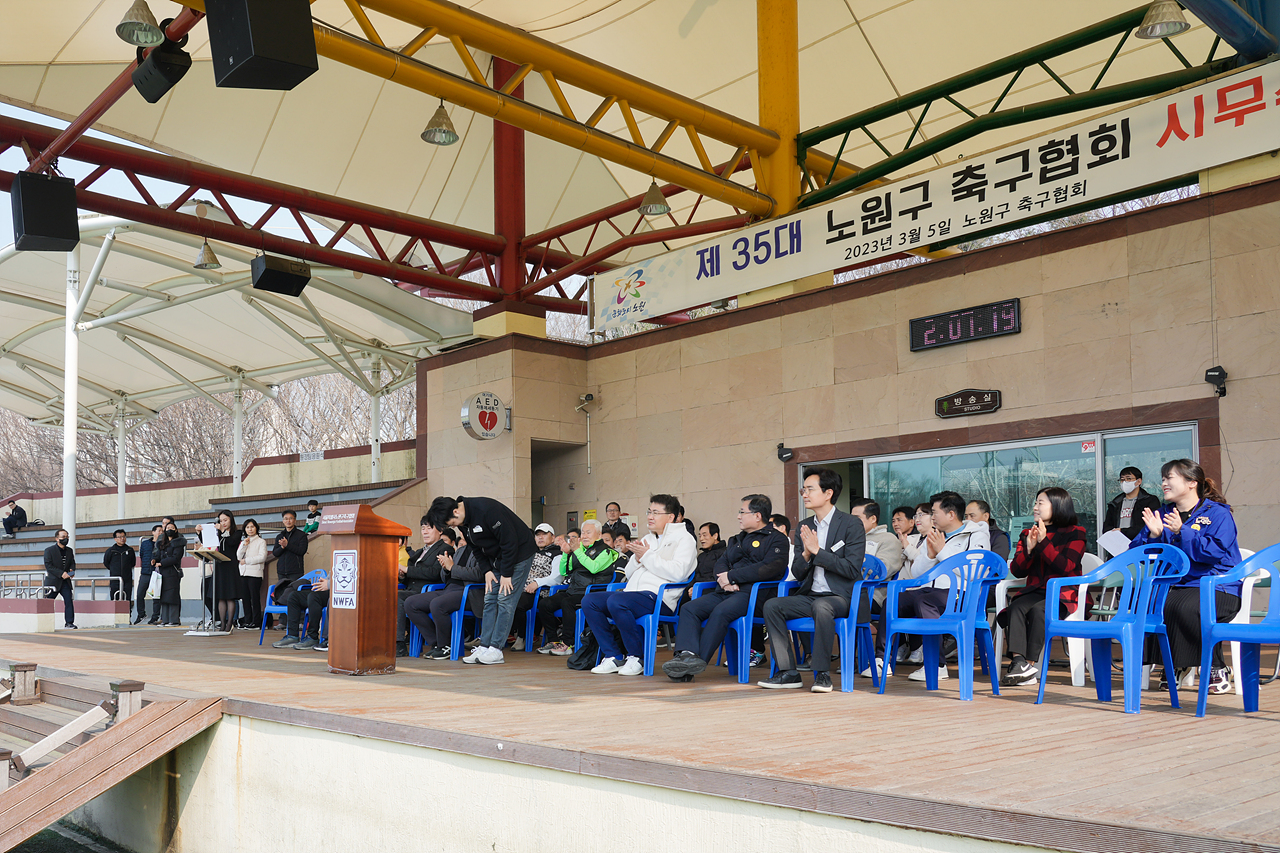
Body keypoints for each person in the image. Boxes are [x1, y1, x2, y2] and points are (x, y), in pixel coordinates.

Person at [1130, 458, 1242, 695]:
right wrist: (1154, 535)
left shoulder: (1218, 513)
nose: (1164, 484)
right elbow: (1136, 552)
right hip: (1179, 586)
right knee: (1153, 606)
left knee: (1184, 607)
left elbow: (1213, 553)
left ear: (1192, 482)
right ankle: (1175, 664)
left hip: (1218, 586)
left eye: (1169, 478)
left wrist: (1183, 531)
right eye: (1162, 479)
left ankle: (1215, 666)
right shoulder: (1161, 514)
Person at [758, 468, 865, 693]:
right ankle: (788, 672)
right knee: (772, 605)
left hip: (842, 596)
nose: (804, 494)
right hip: (811, 595)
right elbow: (797, 571)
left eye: (809, 489)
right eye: (803, 489)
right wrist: (806, 554)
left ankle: (822, 673)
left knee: (822, 606)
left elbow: (851, 568)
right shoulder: (806, 526)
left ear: (828, 493)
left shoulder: (850, 524)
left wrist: (818, 551)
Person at [664, 495, 788, 681]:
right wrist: (724, 580)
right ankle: (685, 656)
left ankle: (696, 662)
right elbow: (721, 563)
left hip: (753, 595)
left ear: (757, 516)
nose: (738, 516)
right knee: (689, 608)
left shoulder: (777, 540)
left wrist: (732, 576)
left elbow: (770, 568)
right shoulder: (736, 539)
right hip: (725, 591)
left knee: (721, 612)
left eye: (742, 512)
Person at [581, 494, 697, 676]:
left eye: (656, 513)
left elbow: (678, 573)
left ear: (671, 517)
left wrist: (647, 557)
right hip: (632, 594)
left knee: (617, 602)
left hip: (659, 598)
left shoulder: (685, 540)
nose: (650, 516)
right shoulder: (649, 539)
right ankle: (614, 656)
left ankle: (637, 656)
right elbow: (627, 573)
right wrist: (637, 558)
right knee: (590, 601)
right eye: (649, 512)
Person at [883, 491, 991, 683]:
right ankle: (881, 660)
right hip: (929, 591)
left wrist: (943, 552)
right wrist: (931, 555)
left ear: (951, 514)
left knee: (926, 602)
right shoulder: (934, 535)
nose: (931, 517)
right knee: (893, 601)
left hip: (961, 595)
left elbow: (976, 573)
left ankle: (937, 665)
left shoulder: (976, 536)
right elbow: (917, 573)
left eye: (934, 512)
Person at [425, 495, 537, 666]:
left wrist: (506, 574)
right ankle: (485, 646)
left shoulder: (487, 509)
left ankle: (497, 649)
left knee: (505, 599)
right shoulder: (464, 523)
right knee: (490, 598)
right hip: (498, 559)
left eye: (452, 524)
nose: (454, 527)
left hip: (519, 554)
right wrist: (487, 571)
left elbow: (509, 541)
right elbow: (476, 548)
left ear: (456, 511)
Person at [999, 488, 1087, 686]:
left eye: (1041, 503)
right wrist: (1029, 549)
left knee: (1040, 611)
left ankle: (1027, 665)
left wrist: (1044, 542)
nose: (1035, 507)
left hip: (1063, 593)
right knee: (1016, 608)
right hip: (1036, 590)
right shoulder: (1027, 533)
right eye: (1036, 502)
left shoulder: (1076, 533)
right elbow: (1018, 570)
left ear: (1057, 505)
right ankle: (1019, 662)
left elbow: (1066, 567)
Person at [404, 527, 487, 660]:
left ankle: (446, 644)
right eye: (463, 530)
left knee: (437, 604)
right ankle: (438, 643)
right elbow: (446, 577)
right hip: (449, 589)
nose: (465, 533)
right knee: (411, 603)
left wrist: (452, 568)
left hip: (469, 592)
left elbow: (478, 575)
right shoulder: (459, 550)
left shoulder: (484, 550)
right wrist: (445, 569)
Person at [537, 519, 618, 655]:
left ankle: (568, 643)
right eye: (583, 533)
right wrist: (565, 553)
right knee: (545, 604)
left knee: (567, 603)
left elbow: (593, 568)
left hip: (592, 593)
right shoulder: (580, 550)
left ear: (598, 535)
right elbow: (564, 572)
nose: (584, 536)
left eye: (588, 532)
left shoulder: (606, 552)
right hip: (574, 590)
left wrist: (576, 551)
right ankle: (554, 641)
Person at [397, 517, 451, 656]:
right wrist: (402, 575)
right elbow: (410, 573)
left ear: (439, 530)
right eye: (422, 528)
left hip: (428, 592)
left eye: (429, 528)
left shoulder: (445, 549)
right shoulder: (420, 551)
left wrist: (407, 570)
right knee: (384, 595)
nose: (425, 532)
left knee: (395, 597)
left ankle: (399, 644)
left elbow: (434, 573)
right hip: (411, 590)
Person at [518, 523, 562, 651]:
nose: (540, 538)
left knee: (519, 603)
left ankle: (522, 636)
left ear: (552, 537)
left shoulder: (557, 554)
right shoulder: (530, 553)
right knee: (502, 597)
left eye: (544, 534)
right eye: (538, 535)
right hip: (523, 587)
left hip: (541, 591)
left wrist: (537, 583)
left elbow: (557, 578)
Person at [269, 510, 311, 646]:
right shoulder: (280, 535)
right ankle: (283, 622)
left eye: (291, 518)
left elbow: (301, 551)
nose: (288, 521)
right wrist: (282, 547)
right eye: (286, 519)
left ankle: (298, 621)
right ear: (283, 520)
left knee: (295, 596)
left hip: (295, 570)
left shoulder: (301, 535)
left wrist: (288, 545)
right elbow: (275, 553)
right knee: (282, 595)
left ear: (295, 520)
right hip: (282, 570)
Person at [197, 510, 243, 632]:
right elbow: (207, 541)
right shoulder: (218, 533)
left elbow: (232, 543)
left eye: (225, 520)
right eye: (221, 520)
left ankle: (229, 624)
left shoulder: (237, 532)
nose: (223, 523)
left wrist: (222, 531)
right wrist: (199, 532)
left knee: (230, 597)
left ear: (231, 520)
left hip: (231, 566)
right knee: (220, 596)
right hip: (219, 566)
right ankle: (222, 624)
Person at [1104, 466, 1161, 542]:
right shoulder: (1115, 503)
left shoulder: (1149, 501)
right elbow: (1106, 527)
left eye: (1129, 479)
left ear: (1139, 481)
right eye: (1122, 480)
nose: (1125, 482)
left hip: (1140, 544)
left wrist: (1123, 531)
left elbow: (1148, 526)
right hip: (1118, 545)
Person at [43, 528, 76, 629]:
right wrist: (61, 573)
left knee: (69, 601)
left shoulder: (69, 551)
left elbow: (72, 563)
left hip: (65, 582)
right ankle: (44, 622)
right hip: (53, 581)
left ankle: (69, 623)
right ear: (57, 538)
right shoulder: (49, 550)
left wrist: (71, 570)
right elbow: (49, 566)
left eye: (67, 537)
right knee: (47, 602)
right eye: (63, 537)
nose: (65, 539)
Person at [237, 519, 267, 630]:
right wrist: (244, 545)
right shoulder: (244, 541)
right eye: (248, 527)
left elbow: (262, 557)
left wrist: (247, 560)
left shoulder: (261, 541)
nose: (250, 529)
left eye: (252, 527)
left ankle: (256, 622)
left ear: (256, 528)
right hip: (243, 573)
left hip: (255, 573)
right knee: (245, 598)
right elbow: (238, 556)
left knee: (254, 598)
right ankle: (247, 620)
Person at [102, 528, 137, 618]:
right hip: (115, 579)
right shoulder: (111, 551)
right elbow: (106, 563)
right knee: (115, 598)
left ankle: (127, 618)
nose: (122, 539)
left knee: (127, 599)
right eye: (119, 537)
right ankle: (114, 618)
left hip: (127, 579)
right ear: (115, 539)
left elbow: (133, 563)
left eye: (123, 536)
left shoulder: (129, 550)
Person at [156, 527, 186, 626]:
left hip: (172, 573)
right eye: (168, 528)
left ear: (176, 530)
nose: (170, 530)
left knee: (172, 596)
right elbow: (157, 555)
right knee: (164, 597)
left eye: (172, 528)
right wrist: (154, 560)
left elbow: (176, 558)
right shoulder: (161, 543)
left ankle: (174, 620)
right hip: (163, 573)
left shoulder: (179, 543)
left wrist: (161, 563)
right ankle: (165, 619)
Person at [136, 524, 163, 625]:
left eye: (162, 531)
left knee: (156, 596)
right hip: (145, 572)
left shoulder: (162, 544)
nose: (161, 532)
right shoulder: (145, 543)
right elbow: (142, 555)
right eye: (159, 530)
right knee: (139, 594)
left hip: (156, 572)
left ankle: (155, 616)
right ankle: (141, 614)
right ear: (153, 532)